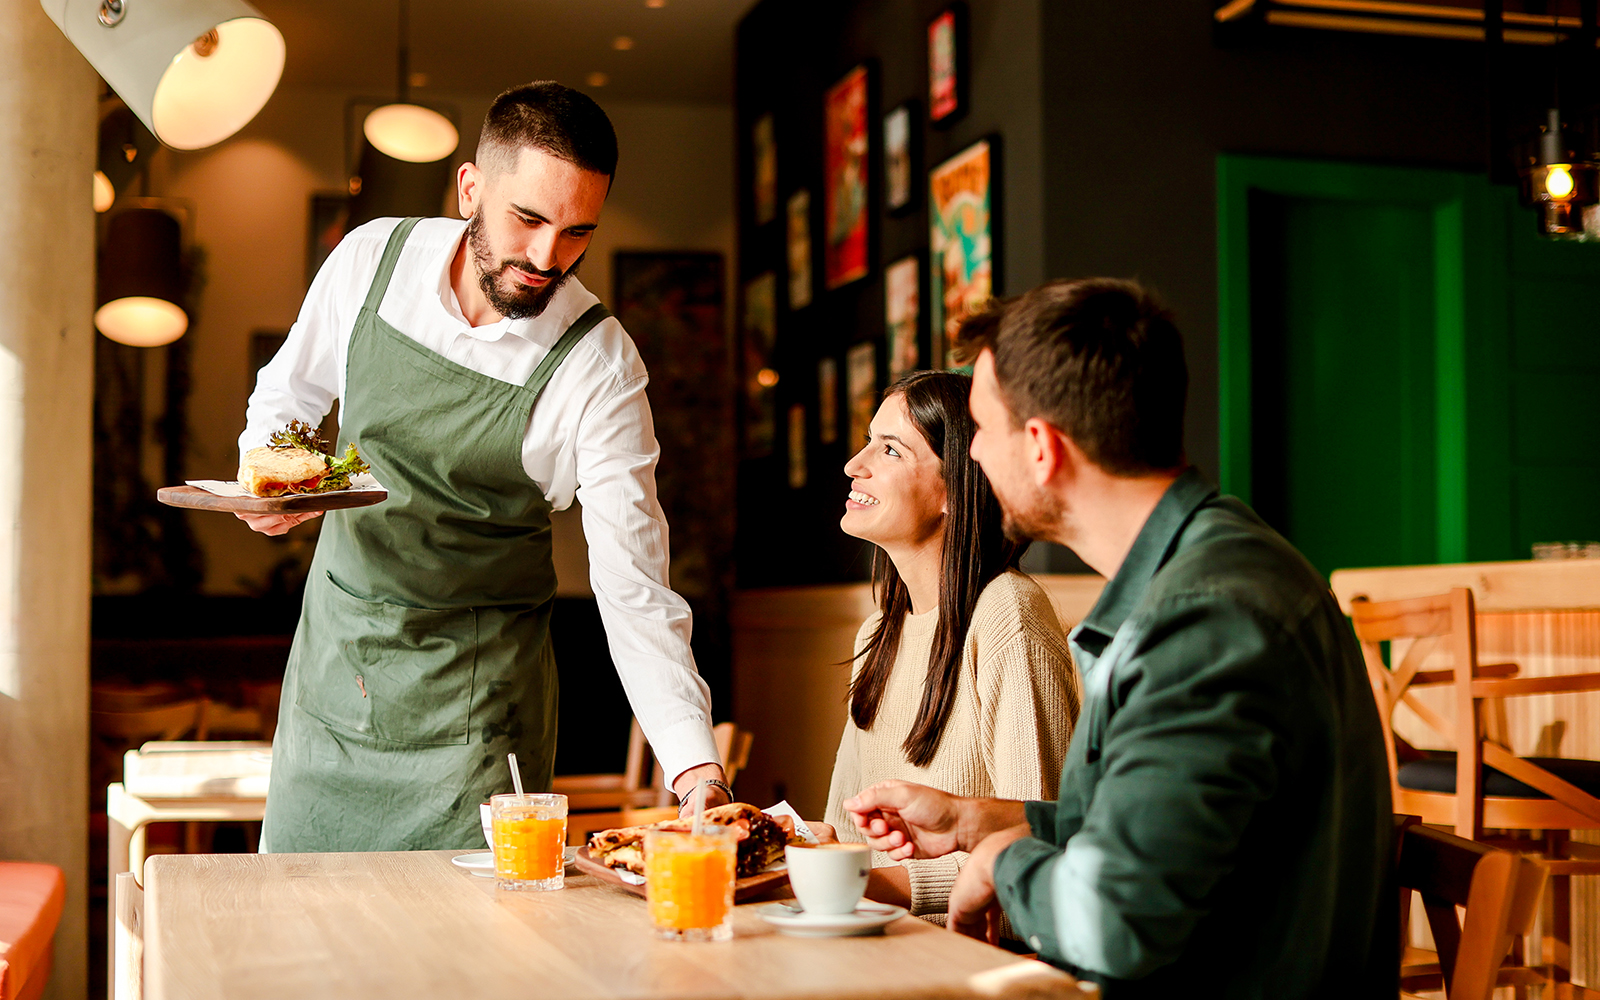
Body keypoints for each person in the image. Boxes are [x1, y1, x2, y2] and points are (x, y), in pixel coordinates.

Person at [844, 280, 1393, 995]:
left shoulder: (1204, 620)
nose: (972, 455)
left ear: (1041, 448)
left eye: (982, 429)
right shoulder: (1212, 562)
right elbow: (1163, 833)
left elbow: (1119, 920)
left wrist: (1002, 864)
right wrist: (983, 821)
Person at [238, 82, 728, 853]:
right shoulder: (371, 261)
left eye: (577, 232)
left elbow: (632, 584)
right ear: (471, 188)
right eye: (527, 219)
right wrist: (271, 478)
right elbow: (288, 395)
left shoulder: (598, 366)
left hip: (478, 724)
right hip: (336, 680)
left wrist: (696, 769)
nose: (547, 258)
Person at [816, 370, 1080, 924]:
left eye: (890, 449)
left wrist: (870, 883)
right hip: (877, 948)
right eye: (868, 441)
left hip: (967, 957)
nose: (854, 465)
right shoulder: (878, 632)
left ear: (954, 492)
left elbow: (1040, 852)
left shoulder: (1008, 614)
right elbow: (843, 831)